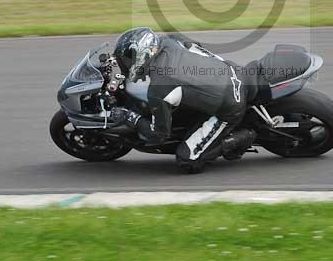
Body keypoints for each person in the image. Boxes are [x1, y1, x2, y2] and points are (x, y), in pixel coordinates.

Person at [109, 27, 257, 173]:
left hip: (231, 105)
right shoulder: (170, 41)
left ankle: (243, 137)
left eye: (127, 59)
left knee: (187, 159)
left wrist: (130, 117)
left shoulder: (159, 89)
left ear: (142, 55)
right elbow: (197, 47)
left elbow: (159, 134)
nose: (125, 64)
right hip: (232, 71)